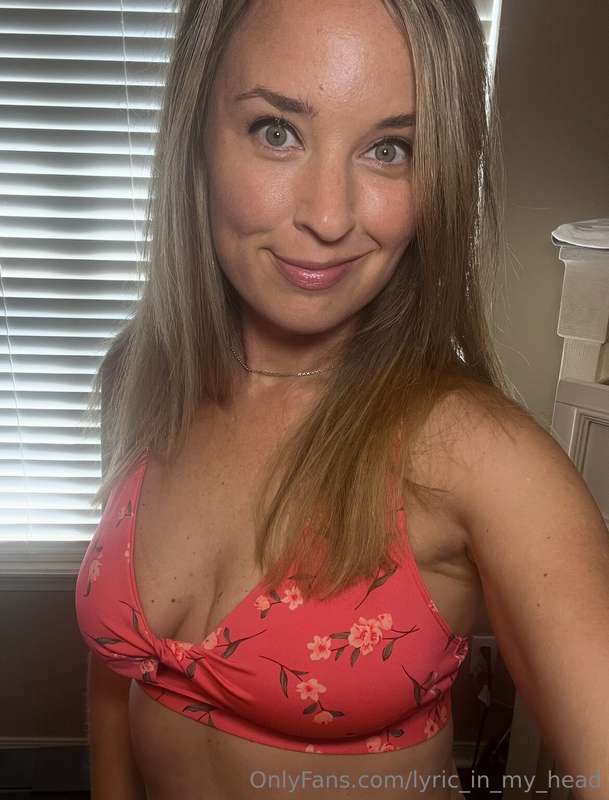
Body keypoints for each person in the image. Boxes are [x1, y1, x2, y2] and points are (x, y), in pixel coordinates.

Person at [75, 1, 609, 798]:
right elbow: (116, 680)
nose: (328, 217)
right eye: (276, 131)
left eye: (390, 149)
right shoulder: (143, 375)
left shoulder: (476, 458)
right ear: (197, 134)